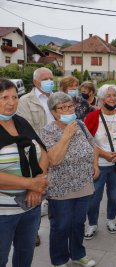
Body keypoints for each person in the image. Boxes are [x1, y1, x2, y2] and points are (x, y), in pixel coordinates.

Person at [39, 92, 99, 267]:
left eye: (69, 106)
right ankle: (59, 259)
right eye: (62, 108)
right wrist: (66, 135)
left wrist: (95, 164)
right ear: (54, 112)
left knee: (78, 223)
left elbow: (93, 145)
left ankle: (78, 254)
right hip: (61, 188)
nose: (67, 110)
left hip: (84, 183)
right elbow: (54, 160)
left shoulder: (80, 123)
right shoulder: (48, 131)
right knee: (61, 225)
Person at [0, 79, 49, 267]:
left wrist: (37, 185)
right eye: (4, 97)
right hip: (3, 212)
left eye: (14, 97)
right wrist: (30, 184)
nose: (11, 102)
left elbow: (43, 152)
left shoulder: (20, 121)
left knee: (24, 255)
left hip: (31, 204)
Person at [84, 84, 116, 239]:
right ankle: (92, 224)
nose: (112, 98)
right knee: (94, 197)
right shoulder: (92, 117)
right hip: (98, 165)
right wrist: (104, 154)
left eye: (114, 95)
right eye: (109, 96)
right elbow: (86, 142)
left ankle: (111, 220)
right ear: (101, 99)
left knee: (114, 196)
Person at [16, 66, 55, 245]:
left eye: (51, 78)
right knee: (37, 192)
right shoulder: (25, 101)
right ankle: (34, 231)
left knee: (56, 193)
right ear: (35, 82)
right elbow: (26, 131)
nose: (49, 81)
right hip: (39, 155)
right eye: (45, 79)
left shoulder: (57, 97)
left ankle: (57, 226)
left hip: (59, 152)